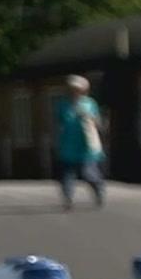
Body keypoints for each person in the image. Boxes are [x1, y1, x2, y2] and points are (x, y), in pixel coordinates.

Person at [55, 74, 106, 210]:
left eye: (77, 89)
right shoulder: (63, 105)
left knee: (88, 174)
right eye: (72, 88)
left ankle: (98, 189)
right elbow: (59, 122)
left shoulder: (90, 104)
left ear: (84, 90)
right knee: (67, 175)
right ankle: (68, 199)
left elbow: (98, 123)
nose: (74, 91)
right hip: (68, 146)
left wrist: (90, 118)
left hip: (86, 146)